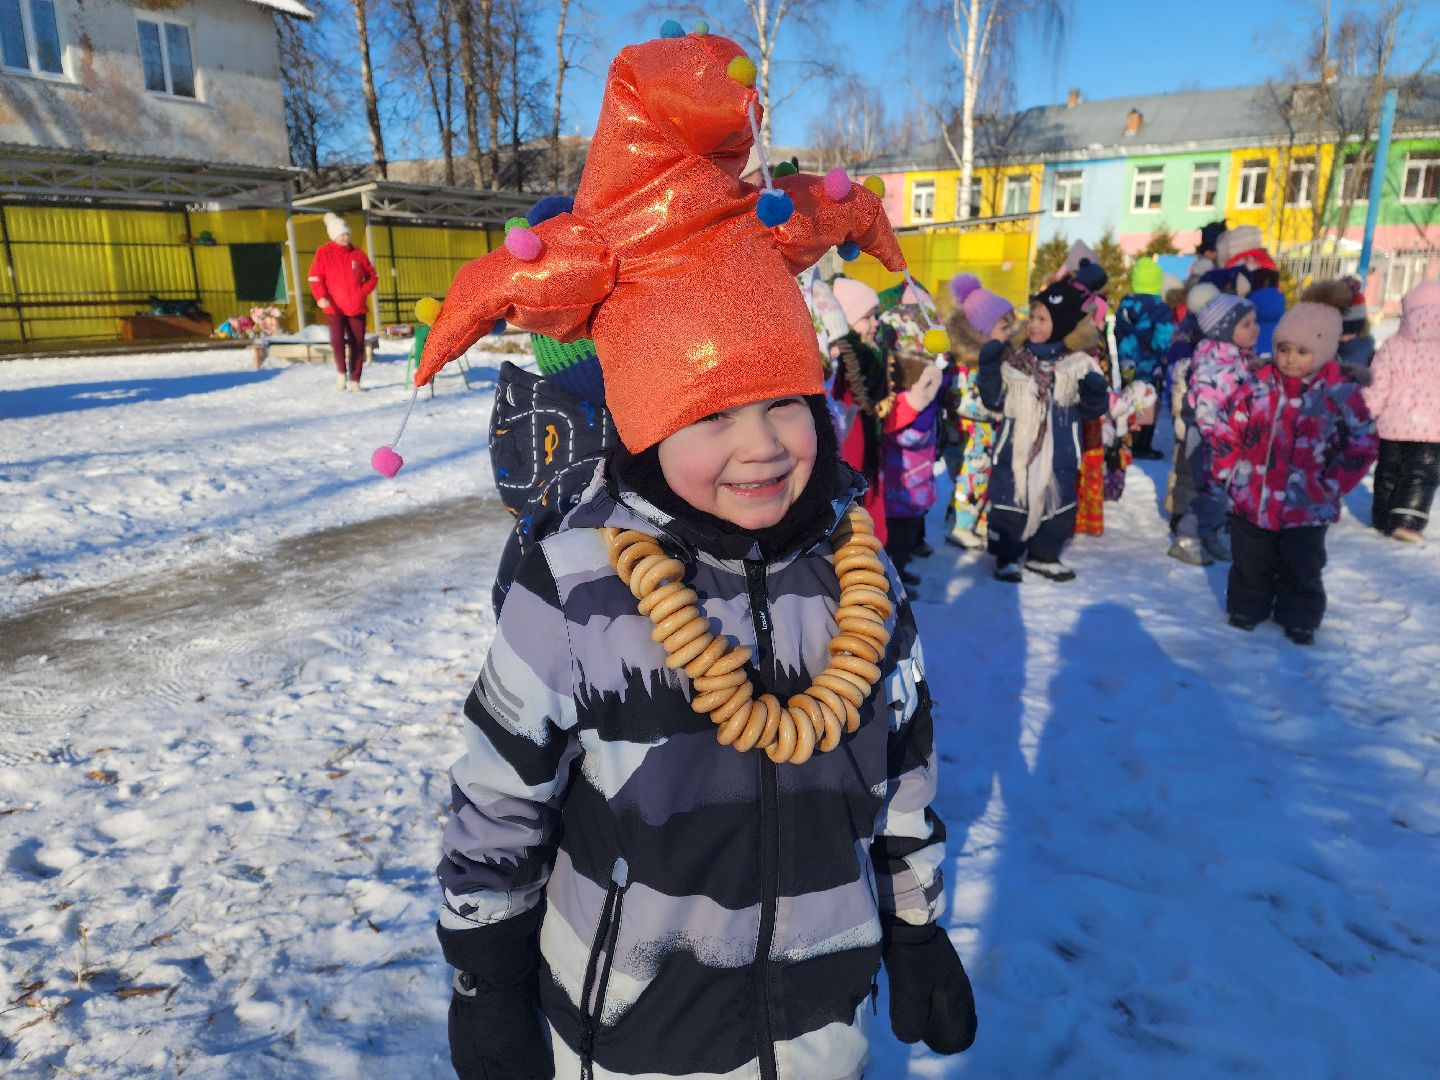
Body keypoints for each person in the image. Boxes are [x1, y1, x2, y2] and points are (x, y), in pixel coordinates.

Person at [410, 29, 975, 1079]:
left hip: (819, 1018)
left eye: (784, 405)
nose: (760, 446)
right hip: (634, 1025)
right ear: (641, 427)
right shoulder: (579, 587)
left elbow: (904, 767)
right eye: (712, 415)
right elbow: (499, 795)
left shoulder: (860, 571)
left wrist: (914, 924)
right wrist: (486, 975)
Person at [1207, 281, 1378, 645]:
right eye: (1284, 349)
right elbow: (1229, 426)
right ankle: (1246, 607)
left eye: (1303, 351)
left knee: (1303, 565)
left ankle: (1300, 616)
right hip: (1253, 498)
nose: (1290, 359)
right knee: (1250, 561)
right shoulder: (1257, 386)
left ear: (1324, 351)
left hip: (1308, 504)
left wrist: (1334, 483)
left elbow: (1362, 443)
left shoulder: (1339, 394)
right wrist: (1227, 470)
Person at [978, 278, 1110, 582]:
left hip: (1059, 450)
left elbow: (1091, 412)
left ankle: (1044, 555)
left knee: (1059, 501)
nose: (1033, 325)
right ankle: (1007, 556)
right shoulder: (1014, 361)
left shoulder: (1077, 365)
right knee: (1011, 499)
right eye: (1032, 318)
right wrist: (988, 372)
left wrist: (1094, 393)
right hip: (1016, 449)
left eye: (1042, 319)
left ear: (1062, 324)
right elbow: (994, 400)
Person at [1183, 290, 1261, 563]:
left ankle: (1212, 532)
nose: (1256, 328)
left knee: (1225, 490)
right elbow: (1206, 407)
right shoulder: (1213, 364)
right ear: (1224, 329)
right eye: (1246, 324)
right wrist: (1216, 440)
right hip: (1213, 440)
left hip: (1235, 438)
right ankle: (1189, 538)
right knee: (1210, 492)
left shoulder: (1241, 357)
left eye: (1255, 321)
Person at [1364, 280, 1440, 543]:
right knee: (1421, 474)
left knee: (1388, 470)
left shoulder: (1392, 345)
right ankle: (1407, 521)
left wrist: (1368, 411)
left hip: (1392, 425)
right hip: (1432, 429)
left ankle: (1383, 517)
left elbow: (1378, 383)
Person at [944, 275, 1014, 551]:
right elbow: (964, 400)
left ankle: (974, 520)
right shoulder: (969, 364)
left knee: (981, 477)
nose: (1008, 332)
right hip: (972, 432)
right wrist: (995, 409)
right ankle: (961, 526)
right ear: (984, 329)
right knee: (971, 478)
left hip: (982, 432)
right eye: (1003, 326)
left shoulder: (991, 358)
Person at [831, 277, 895, 544]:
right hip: (849, 461)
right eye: (867, 316)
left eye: (875, 316)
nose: (875, 323)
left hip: (864, 457)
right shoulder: (841, 365)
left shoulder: (867, 363)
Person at [1114, 256, 1175, 461]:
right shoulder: (1160, 308)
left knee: (1129, 398)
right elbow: (1162, 341)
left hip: (1127, 363)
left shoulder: (1125, 305)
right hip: (1150, 365)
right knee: (1148, 400)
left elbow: (1117, 333)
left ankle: (1126, 439)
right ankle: (1142, 444)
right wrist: (1163, 355)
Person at [308, 212, 378, 391]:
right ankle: (341, 373)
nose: (345, 237)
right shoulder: (324, 253)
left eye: (347, 233)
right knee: (337, 341)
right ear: (333, 235)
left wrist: (362, 292)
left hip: (356, 307)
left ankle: (355, 379)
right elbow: (315, 277)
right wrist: (321, 297)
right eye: (341, 234)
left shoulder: (358, 254)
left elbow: (372, 276)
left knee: (358, 343)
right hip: (334, 308)